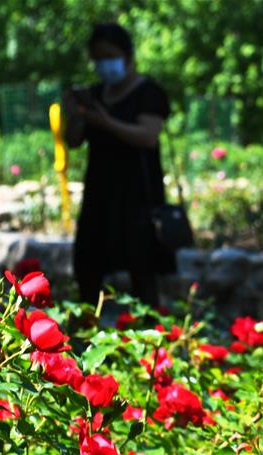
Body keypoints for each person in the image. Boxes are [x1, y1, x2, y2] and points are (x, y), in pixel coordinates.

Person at [64, 22, 173, 307]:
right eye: (98, 59)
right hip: (100, 197)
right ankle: (86, 336)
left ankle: (152, 340)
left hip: (138, 198)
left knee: (143, 275)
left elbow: (148, 137)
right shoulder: (96, 94)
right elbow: (73, 140)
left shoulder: (149, 93)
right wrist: (75, 115)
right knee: (87, 267)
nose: (104, 65)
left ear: (127, 55)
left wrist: (105, 121)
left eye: (109, 56)